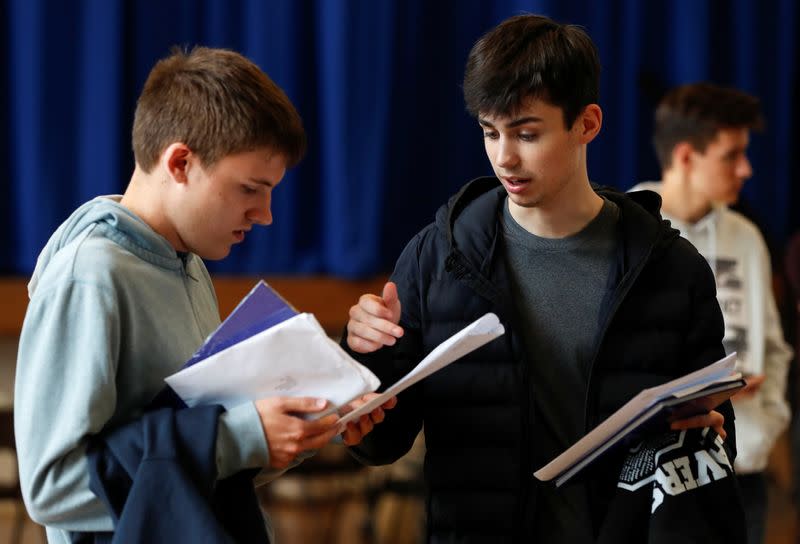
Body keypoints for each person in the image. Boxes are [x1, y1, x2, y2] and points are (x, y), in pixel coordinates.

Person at [343, 14, 743, 544]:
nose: (504, 157)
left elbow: (718, 439)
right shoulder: (438, 256)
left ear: (588, 124)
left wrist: (709, 435)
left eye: (527, 134)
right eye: (490, 132)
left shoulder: (670, 268)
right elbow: (380, 443)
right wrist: (366, 362)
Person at [14, 46, 392, 543]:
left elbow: (198, 476)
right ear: (180, 162)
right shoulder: (89, 275)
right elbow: (51, 490)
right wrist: (241, 437)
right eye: (249, 189)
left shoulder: (190, 267)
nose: (265, 215)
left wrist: (301, 426)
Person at [631, 82, 793, 544]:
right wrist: (700, 393)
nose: (746, 168)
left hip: (744, 472)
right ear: (685, 157)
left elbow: (775, 351)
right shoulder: (624, 226)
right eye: (731, 154)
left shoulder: (747, 235)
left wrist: (766, 425)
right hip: (658, 474)